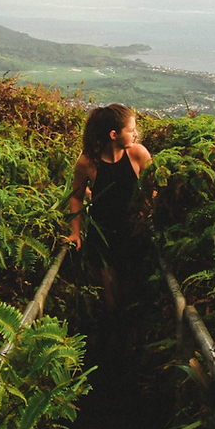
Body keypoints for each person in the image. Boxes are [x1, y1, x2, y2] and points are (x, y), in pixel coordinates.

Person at [67, 105, 152, 308]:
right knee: (112, 295)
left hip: (134, 232)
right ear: (114, 134)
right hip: (104, 235)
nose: (135, 134)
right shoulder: (88, 162)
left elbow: (155, 188)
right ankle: (113, 329)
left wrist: (147, 207)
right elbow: (76, 197)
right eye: (130, 130)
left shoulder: (138, 154)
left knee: (133, 290)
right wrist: (75, 233)